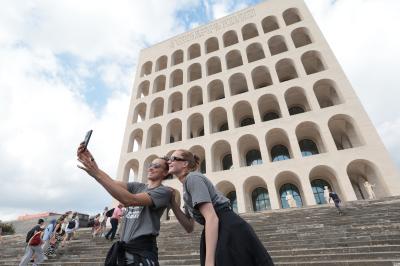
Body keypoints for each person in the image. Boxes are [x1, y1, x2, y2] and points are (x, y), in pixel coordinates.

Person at [168, 149, 274, 266]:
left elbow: (212, 217)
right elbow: (189, 226)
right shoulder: (187, 186)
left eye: (173, 158)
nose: (169, 161)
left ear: (185, 164)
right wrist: (173, 203)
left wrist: (209, 261)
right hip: (219, 228)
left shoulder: (193, 178)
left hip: (227, 227)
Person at [77, 144, 172, 265]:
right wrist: (91, 162)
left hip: (141, 254)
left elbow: (129, 200)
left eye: (156, 166)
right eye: (151, 165)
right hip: (124, 252)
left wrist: (96, 173)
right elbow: (110, 182)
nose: (151, 168)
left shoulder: (163, 191)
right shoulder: (137, 186)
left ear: (165, 172)